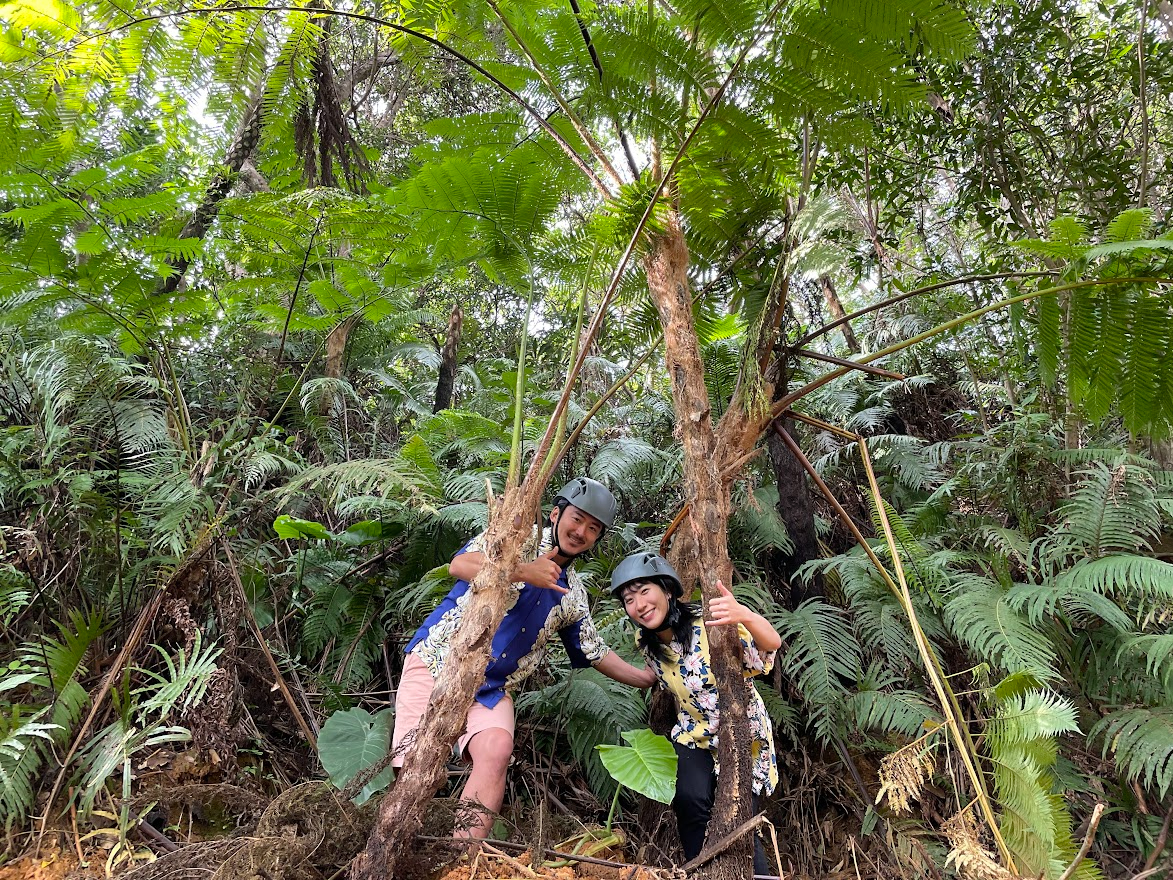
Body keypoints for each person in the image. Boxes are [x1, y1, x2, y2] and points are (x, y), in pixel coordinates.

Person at [392, 477, 657, 838]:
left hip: (491, 687)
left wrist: (646, 678)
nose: (581, 532)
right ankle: (394, 848)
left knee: (497, 750)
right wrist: (521, 571)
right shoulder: (515, 538)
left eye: (593, 528)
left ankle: (459, 859)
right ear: (556, 514)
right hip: (438, 660)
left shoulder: (572, 593)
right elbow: (460, 565)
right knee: (413, 766)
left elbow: (595, 650)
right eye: (577, 519)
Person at [610, 552, 782, 875]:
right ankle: (698, 870)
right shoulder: (647, 642)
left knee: (738, 817)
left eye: (645, 591)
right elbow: (653, 676)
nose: (639, 604)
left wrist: (742, 613)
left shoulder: (709, 625)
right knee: (689, 800)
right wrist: (596, 658)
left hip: (743, 730)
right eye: (629, 599)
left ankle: (758, 874)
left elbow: (770, 645)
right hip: (695, 733)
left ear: (668, 591)